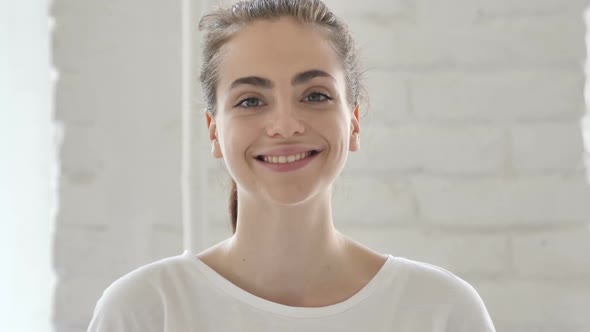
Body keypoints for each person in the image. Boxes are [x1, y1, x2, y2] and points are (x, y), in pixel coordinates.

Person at [87, 0, 496, 331]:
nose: (285, 126)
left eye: (315, 95)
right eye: (250, 101)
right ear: (214, 131)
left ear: (353, 122)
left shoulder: (439, 311)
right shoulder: (146, 311)